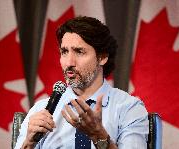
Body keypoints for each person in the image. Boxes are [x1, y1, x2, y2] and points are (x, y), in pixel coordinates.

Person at [14, 16, 149, 149]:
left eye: (79, 52)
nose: (69, 63)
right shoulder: (41, 110)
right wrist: (29, 143)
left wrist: (98, 135)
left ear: (102, 57)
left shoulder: (129, 108)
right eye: (64, 52)